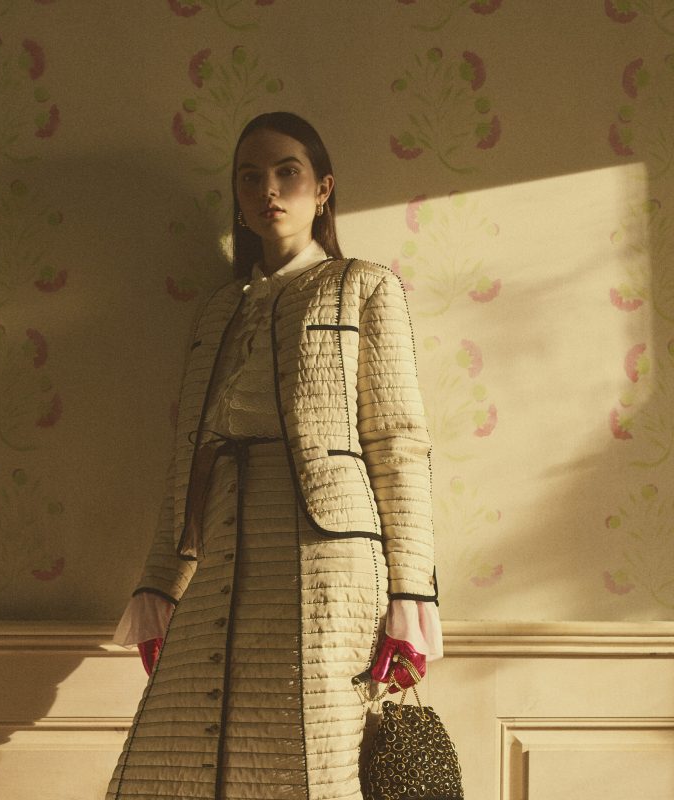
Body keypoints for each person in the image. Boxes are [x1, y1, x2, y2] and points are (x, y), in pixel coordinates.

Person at [106, 111, 442, 800]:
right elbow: (189, 456)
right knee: (175, 760)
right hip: (222, 548)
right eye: (250, 176)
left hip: (329, 561)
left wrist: (411, 594)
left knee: (311, 759)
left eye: (288, 171)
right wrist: (160, 583)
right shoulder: (217, 311)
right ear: (237, 197)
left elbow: (397, 442)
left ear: (323, 188)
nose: (269, 189)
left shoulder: (364, 285)